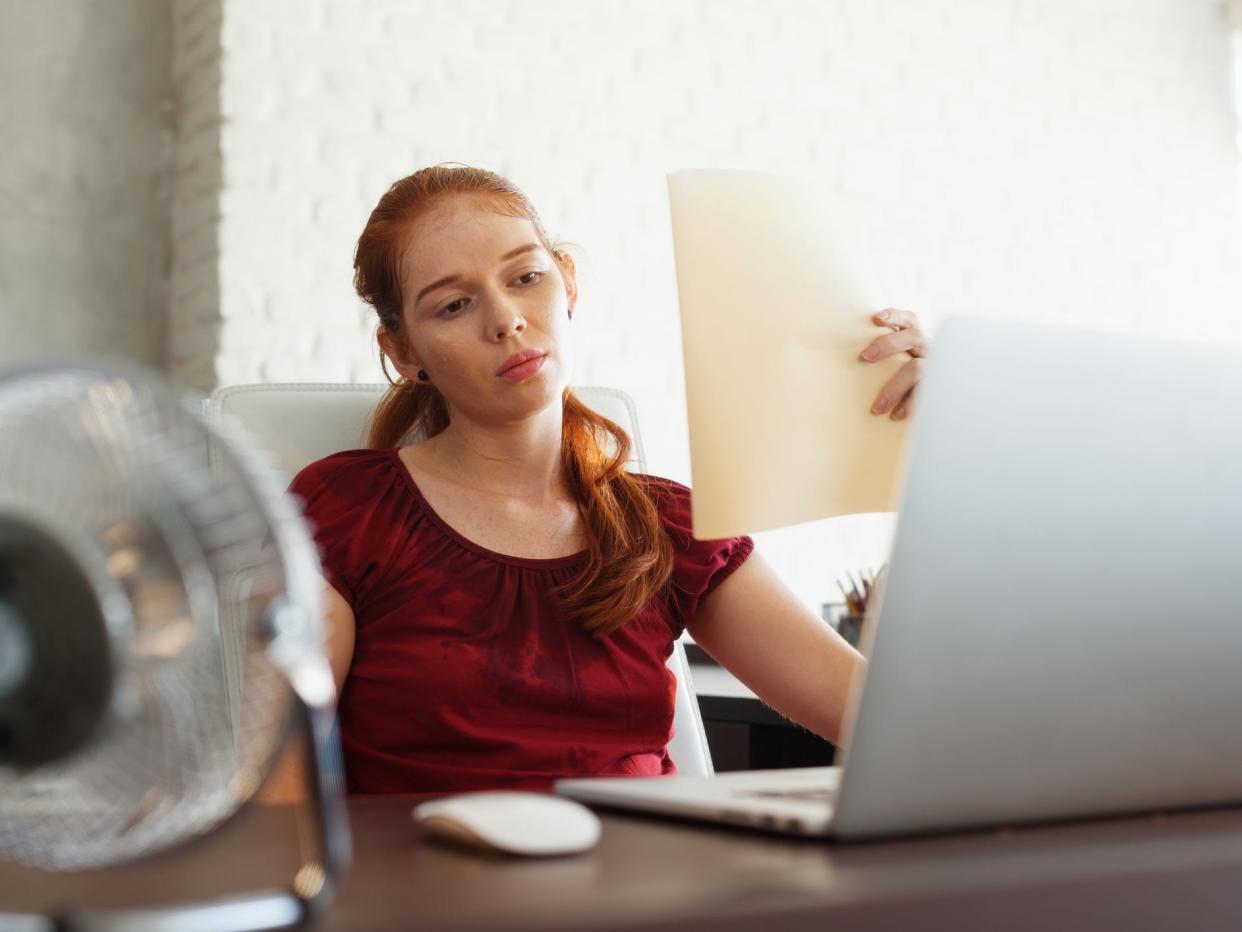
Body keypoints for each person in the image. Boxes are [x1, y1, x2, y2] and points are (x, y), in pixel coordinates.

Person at [287, 164, 929, 796]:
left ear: (566, 284)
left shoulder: (668, 527)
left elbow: (893, 727)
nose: (507, 319)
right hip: (436, 894)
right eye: (455, 304)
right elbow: (275, 795)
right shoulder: (347, 512)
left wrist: (952, 433)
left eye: (526, 277)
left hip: (647, 887)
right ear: (403, 352)